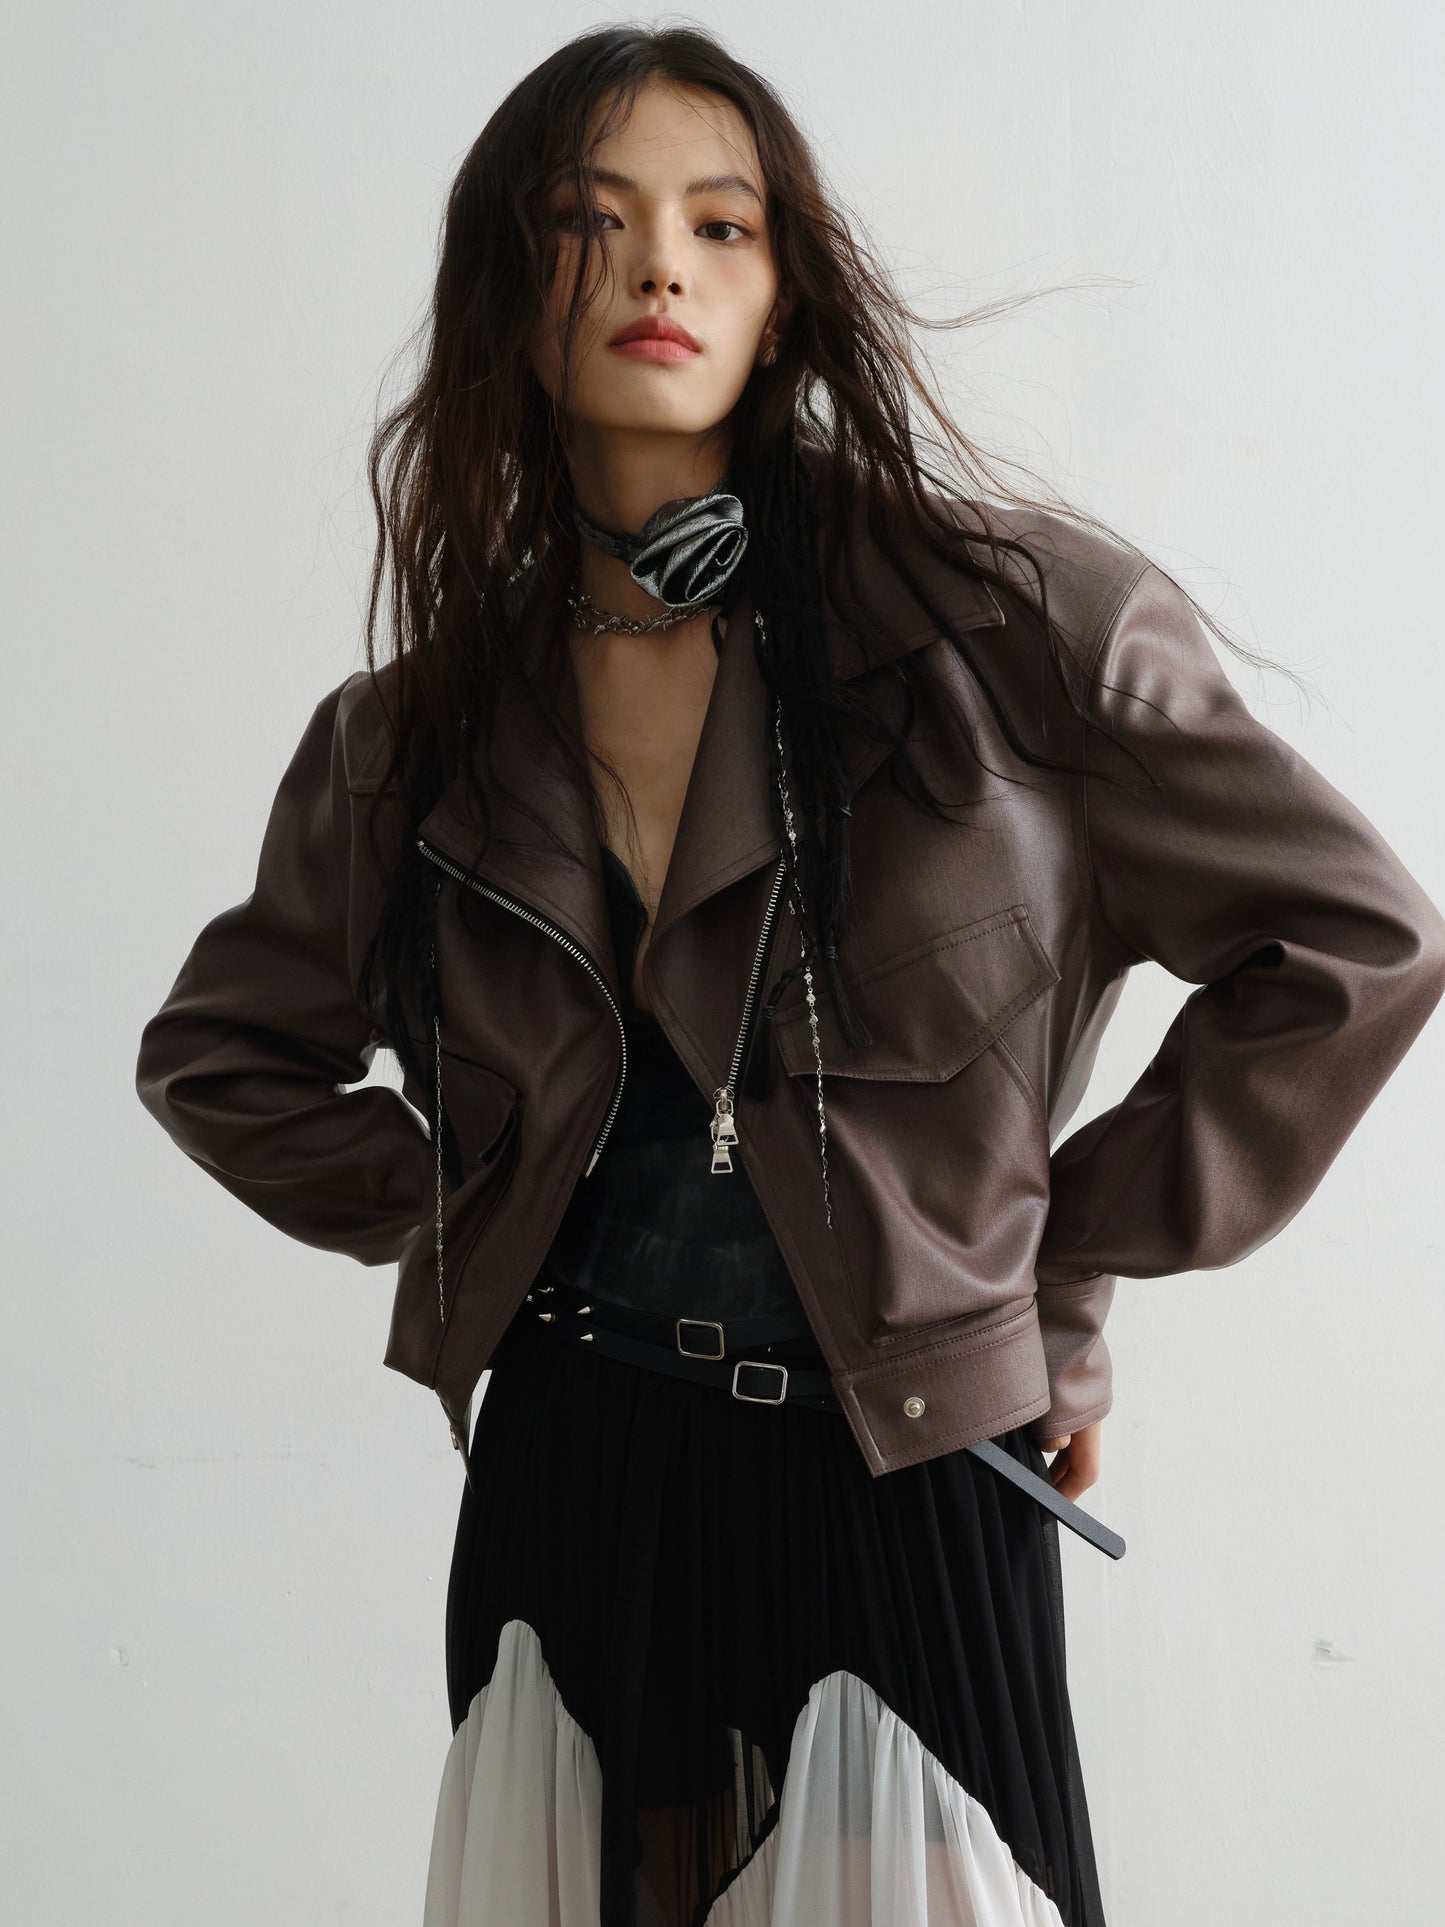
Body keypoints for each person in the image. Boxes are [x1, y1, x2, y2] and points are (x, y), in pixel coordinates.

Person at [133, 26, 1445, 1927]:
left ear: (785, 293)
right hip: (574, 1471)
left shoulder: (1008, 630)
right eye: (590, 222)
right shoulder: (413, 735)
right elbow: (224, 1058)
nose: (659, 266)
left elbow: (1354, 942)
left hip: (897, 1469)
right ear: (507, 287)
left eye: (719, 224)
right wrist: (470, 1211)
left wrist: (1049, 1269)